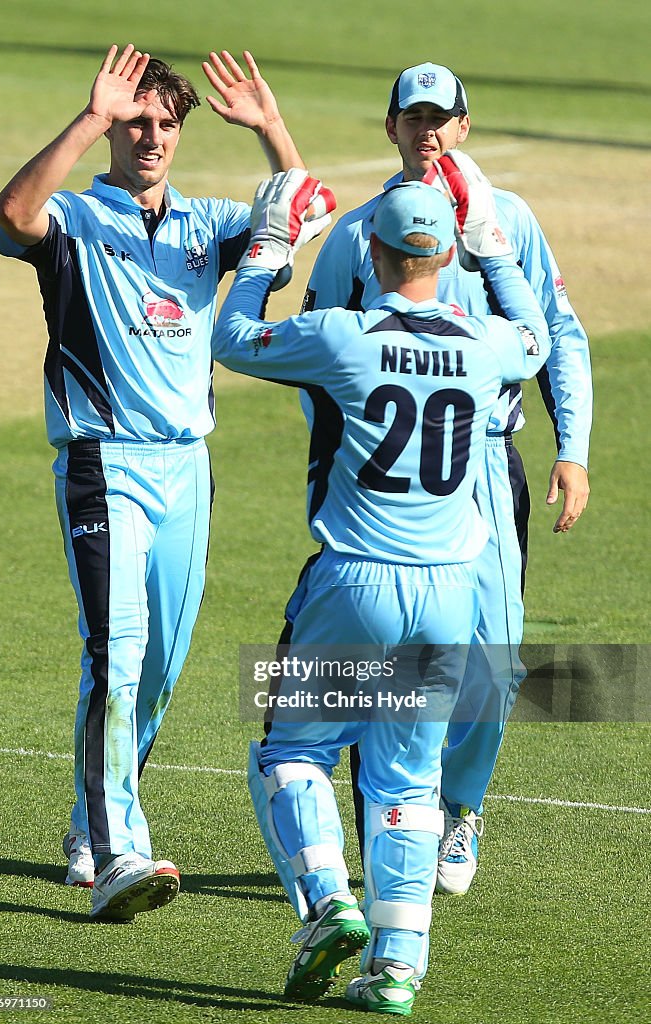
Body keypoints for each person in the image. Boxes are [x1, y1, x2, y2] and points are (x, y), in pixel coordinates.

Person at [211, 165, 552, 1013]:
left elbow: (231, 337)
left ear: (373, 247)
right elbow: (536, 338)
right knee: (406, 782)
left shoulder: (340, 335)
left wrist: (268, 244)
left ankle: (328, 900)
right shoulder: (483, 344)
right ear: (446, 254)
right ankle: (397, 970)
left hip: (351, 584)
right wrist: (496, 249)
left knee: (295, 752)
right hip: (445, 591)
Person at [0, 44, 315, 921]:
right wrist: (89, 116)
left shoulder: (209, 226)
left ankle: (89, 822)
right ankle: (116, 852)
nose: (152, 137)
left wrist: (271, 129)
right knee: (118, 655)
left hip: (187, 469)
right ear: (112, 128)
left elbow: (303, 210)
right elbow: (12, 211)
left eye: (166, 124)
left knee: (162, 666)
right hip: (104, 464)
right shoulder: (71, 219)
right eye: (137, 121)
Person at [298, 62, 593, 894]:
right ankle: (393, 828)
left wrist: (570, 447)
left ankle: (459, 811)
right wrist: (335, 474)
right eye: (411, 116)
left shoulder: (510, 224)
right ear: (388, 126)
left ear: (463, 126)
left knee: (491, 662)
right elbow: (316, 364)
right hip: (381, 482)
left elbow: (557, 337)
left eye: (441, 117)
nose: (426, 131)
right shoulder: (356, 234)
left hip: (487, 467)